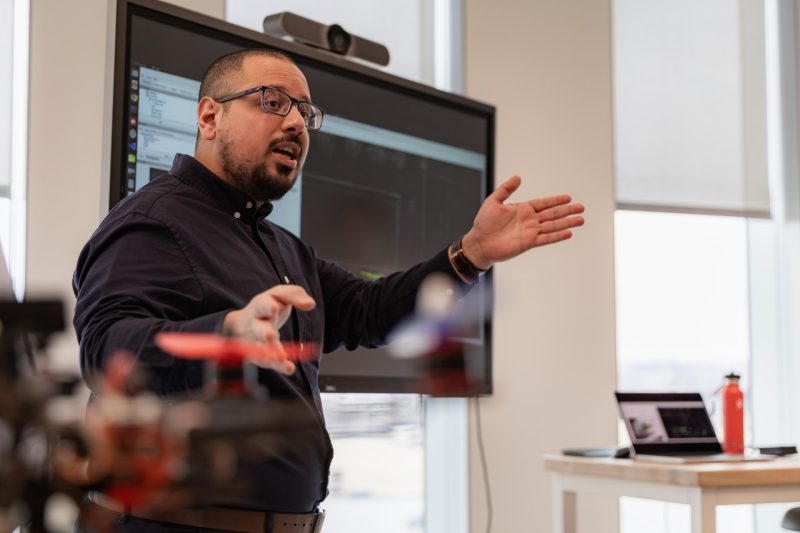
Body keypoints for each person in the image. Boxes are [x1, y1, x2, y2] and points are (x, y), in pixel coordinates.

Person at [72, 48, 585, 532]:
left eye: (306, 114)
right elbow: (106, 347)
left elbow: (373, 311)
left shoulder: (283, 248)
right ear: (209, 118)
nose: (296, 123)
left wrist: (468, 256)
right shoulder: (153, 221)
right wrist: (226, 336)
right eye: (272, 102)